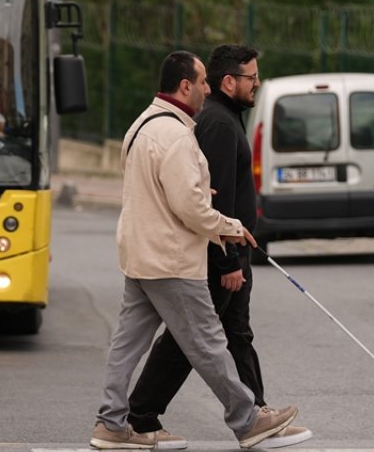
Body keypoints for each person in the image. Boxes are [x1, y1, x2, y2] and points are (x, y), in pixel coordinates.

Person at [91, 50, 301, 450]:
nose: (207, 89)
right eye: (203, 81)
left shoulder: (141, 124)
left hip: (139, 253)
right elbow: (192, 210)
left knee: (126, 344)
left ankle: (111, 424)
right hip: (171, 259)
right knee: (208, 344)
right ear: (185, 86)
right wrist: (231, 227)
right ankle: (248, 420)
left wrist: (196, 192)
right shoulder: (175, 134)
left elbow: (154, 188)